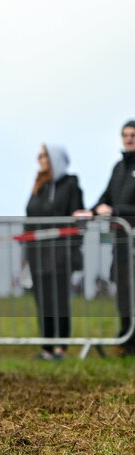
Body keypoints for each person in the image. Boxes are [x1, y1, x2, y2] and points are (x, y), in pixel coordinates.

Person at [76, 121, 135, 356]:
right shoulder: (119, 168)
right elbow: (106, 198)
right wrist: (89, 212)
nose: (129, 139)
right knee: (123, 293)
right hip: (121, 244)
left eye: (133, 135)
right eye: (125, 135)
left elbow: (115, 207)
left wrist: (115, 212)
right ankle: (127, 340)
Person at [26, 144, 83, 360]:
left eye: (43, 156)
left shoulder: (71, 185)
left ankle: (62, 346)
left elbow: (76, 220)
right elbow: (30, 219)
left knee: (59, 300)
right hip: (37, 255)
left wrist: (72, 250)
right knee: (42, 301)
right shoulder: (38, 186)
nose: (39, 160)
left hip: (60, 255)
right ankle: (47, 346)